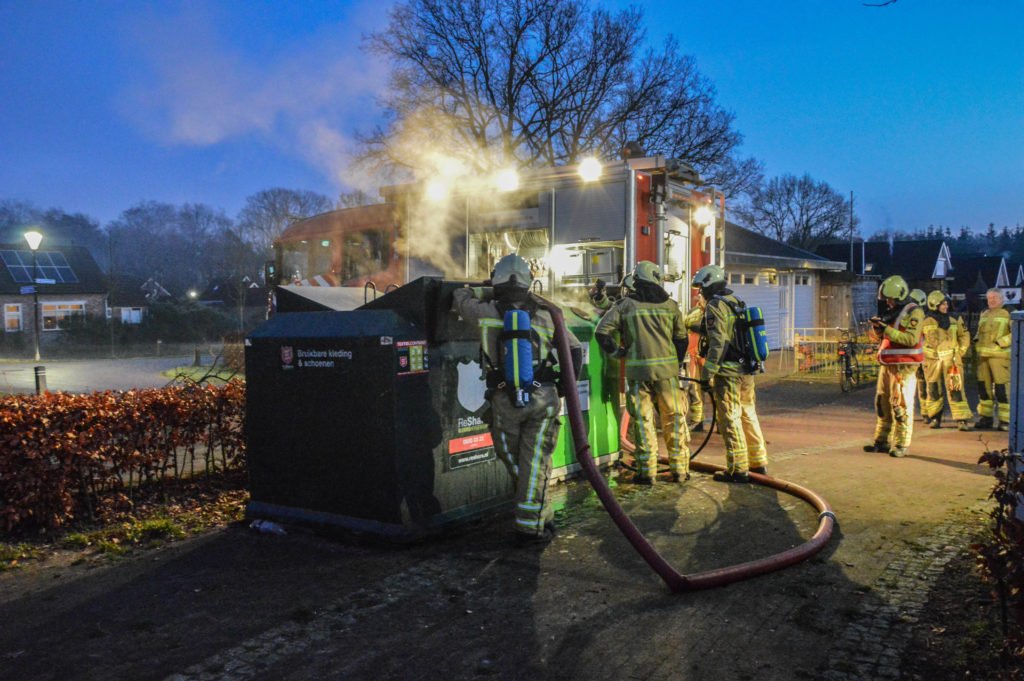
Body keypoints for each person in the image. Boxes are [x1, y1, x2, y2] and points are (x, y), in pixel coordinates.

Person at [452, 254, 582, 544]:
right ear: (528, 282)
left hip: (503, 400)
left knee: (515, 460)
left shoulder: (483, 313)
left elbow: (458, 296)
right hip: (545, 398)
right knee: (534, 462)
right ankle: (539, 515)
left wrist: (483, 288)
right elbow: (575, 351)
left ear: (497, 280)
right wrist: (563, 386)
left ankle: (529, 527)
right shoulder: (549, 314)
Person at [595, 261, 690, 484]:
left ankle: (647, 472)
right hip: (667, 373)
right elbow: (681, 339)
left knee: (643, 420)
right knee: (674, 419)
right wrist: (674, 364)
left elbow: (602, 332)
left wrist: (618, 353)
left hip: (638, 373)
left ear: (636, 281)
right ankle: (680, 470)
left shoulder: (626, 305)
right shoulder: (670, 306)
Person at [690, 264, 768, 483]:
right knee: (748, 413)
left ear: (708, 284)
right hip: (746, 369)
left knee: (730, 418)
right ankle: (758, 462)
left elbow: (718, 343)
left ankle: (737, 469)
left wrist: (707, 374)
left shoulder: (716, 305)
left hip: (728, 371)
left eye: (700, 288)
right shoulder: (735, 301)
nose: (699, 293)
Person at [864, 275, 925, 458]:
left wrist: (887, 329)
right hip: (888, 366)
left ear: (899, 296)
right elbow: (883, 339)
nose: (888, 302)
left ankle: (900, 444)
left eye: (890, 299)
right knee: (882, 404)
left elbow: (910, 339)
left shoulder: (915, 313)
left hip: (904, 367)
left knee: (901, 406)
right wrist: (878, 328)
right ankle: (881, 440)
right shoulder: (892, 312)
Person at [920, 290, 972, 430]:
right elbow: (918, 340)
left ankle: (961, 420)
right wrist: (927, 352)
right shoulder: (925, 321)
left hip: (952, 361)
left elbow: (964, 335)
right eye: (942, 304)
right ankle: (935, 418)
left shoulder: (955, 318)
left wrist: (960, 351)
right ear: (934, 305)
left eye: (946, 303)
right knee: (933, 390)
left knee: (956, 389)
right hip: (933, 361)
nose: (946, 306)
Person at [973, 288, 1012, 431]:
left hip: (1000, 358)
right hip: (983, 357)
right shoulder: (984, 313)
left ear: (1002, 299)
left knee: (1002, 390)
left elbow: (1017, 332)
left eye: (995, 297)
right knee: (984, 390)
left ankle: (1005, 421)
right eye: (989, 298)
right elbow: (979, 333)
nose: (992, 300)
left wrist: (1001, 343)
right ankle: (986, 418)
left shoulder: (1008, 313)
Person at [908, 289, 930, 423]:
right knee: (918, 386)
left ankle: (926, 412)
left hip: (921, 357)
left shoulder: (925, 320)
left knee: (924, 386)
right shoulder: (911, 318)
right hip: (914, 357)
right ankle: (923, 412)